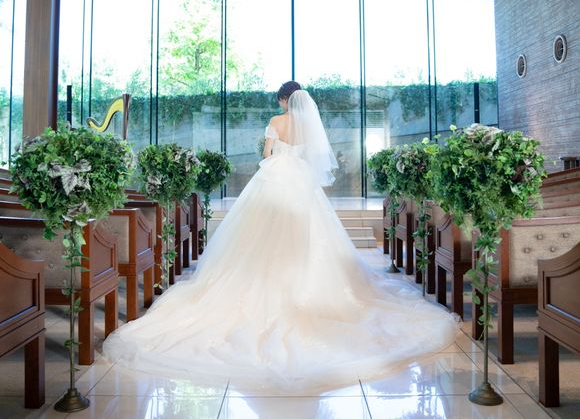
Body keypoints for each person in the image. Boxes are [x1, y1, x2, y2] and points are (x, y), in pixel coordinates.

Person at [103, 81, 460, 393]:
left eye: (280, 99)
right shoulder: (308, 126)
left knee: (258, 233)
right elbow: (314, 157)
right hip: (300, 181)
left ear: (284, 100)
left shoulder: (276, 122)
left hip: (274, 178)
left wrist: (274, 149)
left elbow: (267, 153)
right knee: (310, 231)